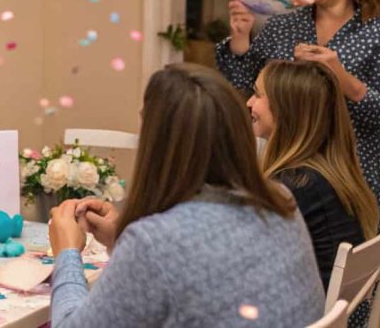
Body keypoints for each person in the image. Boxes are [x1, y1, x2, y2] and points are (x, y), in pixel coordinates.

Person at [47, 63, 324, 327]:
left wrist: (67, 252)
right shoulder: (278, 200)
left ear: (157, 143)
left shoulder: (154, 243)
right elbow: (203, 272)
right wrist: (121, 238)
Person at [216, 0, 380, 229]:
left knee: (348, 254)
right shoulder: (283, 25)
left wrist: (340, 76)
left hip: (352, 167)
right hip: (286, 165)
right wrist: (240, 38)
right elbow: (245, 85)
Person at [250, 59, 378, 289]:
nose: (249, 103)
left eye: (258, 95)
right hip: (338, 311)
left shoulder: (297, 186)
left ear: (285, 109)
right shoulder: (325, 172)